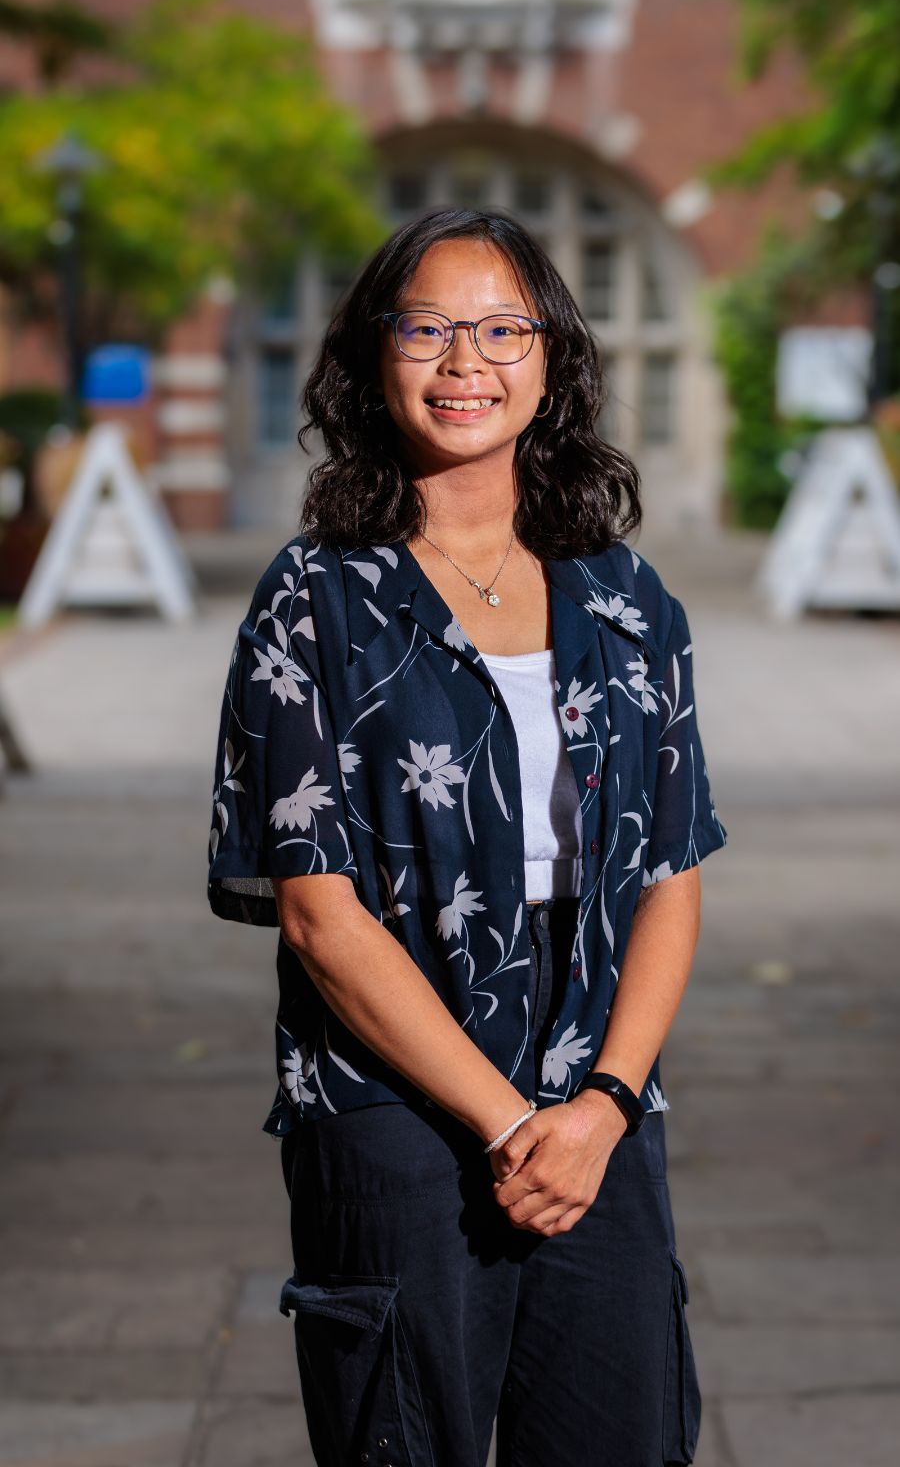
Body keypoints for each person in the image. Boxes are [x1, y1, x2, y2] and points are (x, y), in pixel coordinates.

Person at [207, 207, 727, 1467]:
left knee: (619, 1433)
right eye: (428, 329)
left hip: (601, 1107)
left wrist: (601, 1105)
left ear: (551, 360)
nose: (465, 364)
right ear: (372, 359)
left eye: (503, 329)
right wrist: (507, 1125)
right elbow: (321, 916)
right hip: (393, 1104)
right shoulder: (315, 599)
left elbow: (671, 874)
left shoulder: (626, 597)